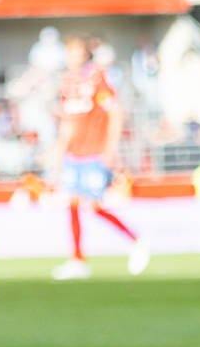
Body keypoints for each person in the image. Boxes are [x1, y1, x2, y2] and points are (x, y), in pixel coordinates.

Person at [52, 35, 148, 280]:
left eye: (77, 53)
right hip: (75, 154)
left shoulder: (96, 79)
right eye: (69, 53)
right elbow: (66, 123)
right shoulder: (66, 83)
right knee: (71, 204)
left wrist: (110, 149)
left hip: (95, 152)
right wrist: (58, 153)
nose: (73, 58)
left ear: (86, 55)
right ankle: (77, 260)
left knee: (94, 206)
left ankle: (135, 240)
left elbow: (115, 113)